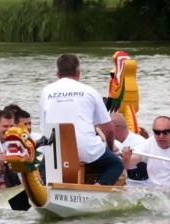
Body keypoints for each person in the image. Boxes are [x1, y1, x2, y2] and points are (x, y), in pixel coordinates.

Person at [38, 53, 123, 185]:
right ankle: (97, 188)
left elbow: (44, 127)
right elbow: (110, 130)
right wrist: (110, 149)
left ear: (58, 74)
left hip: (56, 151)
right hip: (86, 149)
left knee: (43, 166)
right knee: (116, 165)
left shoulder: (46, 91)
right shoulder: (90, 91)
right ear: (78, 73)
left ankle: (49, 188)